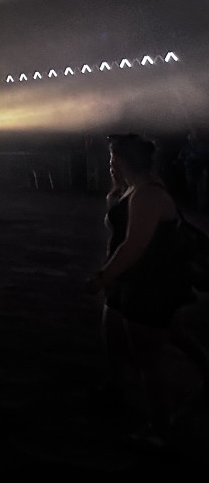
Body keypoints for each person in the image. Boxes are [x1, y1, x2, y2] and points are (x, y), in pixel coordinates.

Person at [86, 133, 197, 448]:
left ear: (122, 161)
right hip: (131, 279)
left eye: (112, 159)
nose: (110, 164)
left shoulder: (147, 195)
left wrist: (102, 277)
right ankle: (119, 389)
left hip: (149, 283)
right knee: (119, 336)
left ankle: (161, 428)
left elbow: (133, 246)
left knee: (148, 359)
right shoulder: (133, 190)